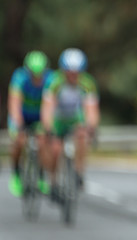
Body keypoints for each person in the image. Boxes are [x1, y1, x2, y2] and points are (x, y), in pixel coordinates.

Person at [41, 48, 99, 198]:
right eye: (70, 72)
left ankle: (79, 172)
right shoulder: (54, 82)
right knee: (55, 150)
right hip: (58, 120)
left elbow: (91, 110)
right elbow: (47, 108)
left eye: (77, 72)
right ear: (63, 70)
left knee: (82, 137)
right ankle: (53, 180)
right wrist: (49, 127)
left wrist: (91, 126)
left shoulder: (87, 83)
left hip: (75, 119)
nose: (73, 76)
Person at [7, 50, 52, 196]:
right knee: (19, 141)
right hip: (22, 115)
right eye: (33, 74)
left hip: (40, 116)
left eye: (39, 75)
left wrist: (48, 125)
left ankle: (40, 176)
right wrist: (18, 123)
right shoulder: (20, 78)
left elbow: (51, 105)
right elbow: (14, 103)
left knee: (42, 142)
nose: (36, 78)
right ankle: (16, 175)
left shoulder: (50, 79)